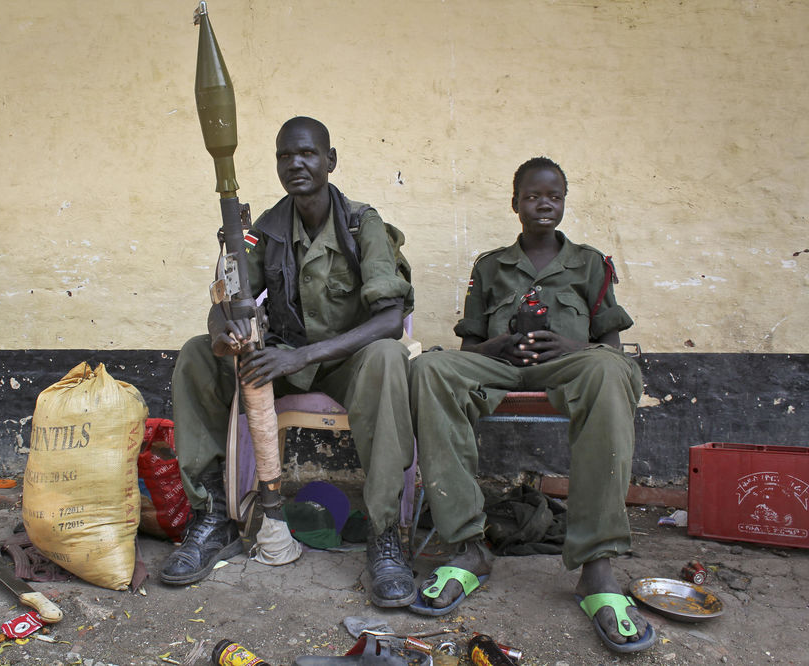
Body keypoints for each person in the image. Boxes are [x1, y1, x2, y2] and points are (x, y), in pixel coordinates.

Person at [160, 116, 417, 608]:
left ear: (330, 161)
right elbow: (226, 300)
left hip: (347, 362)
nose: (295, 164)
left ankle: (385, 535)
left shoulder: (364, 224)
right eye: (285, 156)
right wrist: (225, 334)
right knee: (195, 352)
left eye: (307, 154)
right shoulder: (267, 229)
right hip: (280, 358)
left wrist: (301, 355)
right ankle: (214, 515)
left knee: (388, 357)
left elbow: (389, 319)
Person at [407, 157, 655, 653]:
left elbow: (610, 347)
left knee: (610, 370)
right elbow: (468, 352)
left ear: (565, 201)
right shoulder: (490, 266)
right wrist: (495, 348)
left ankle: (597, 568)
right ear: (515, 202)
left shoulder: (590, 263)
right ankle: (466, 547)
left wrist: (576, 349)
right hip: (500, 366)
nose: (544, 203)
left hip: (570, 365)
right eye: (532, 196)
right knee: (428, 369)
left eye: (554, 195)